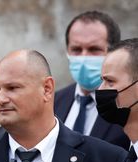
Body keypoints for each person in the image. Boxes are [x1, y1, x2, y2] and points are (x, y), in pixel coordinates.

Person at [55, 10, 129, 149]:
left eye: (94, 49)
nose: (84, 57)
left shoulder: (128, 105)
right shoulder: (54, 102)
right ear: (67, 51)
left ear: (114, 52)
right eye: (76, 49)